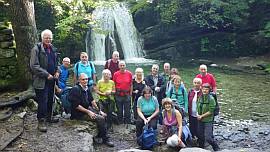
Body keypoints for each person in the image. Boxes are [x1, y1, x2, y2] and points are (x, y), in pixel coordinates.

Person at [68, 73, 114, 147]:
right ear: (79, 80)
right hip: (79, 113)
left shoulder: (86, 88)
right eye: (83, 79)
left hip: (87, 109)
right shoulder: (75, 89)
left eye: (86, 79)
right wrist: (89, 112)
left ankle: (99, 135)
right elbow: (76, 106)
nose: (85, 81)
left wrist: (99, 111)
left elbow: (92, 100)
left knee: (104, 115)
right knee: (100, 118)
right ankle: (105, 139)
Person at [30, 29, 59, 132]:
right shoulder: (36, 49)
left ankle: (49, 117)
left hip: (52, 80)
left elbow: (56, 63)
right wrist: (47, 75)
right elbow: (34, 66)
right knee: (42, 100)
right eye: (46, 38)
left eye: (50, 38)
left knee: (51, 99)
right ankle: (41, 121)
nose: (48, 39)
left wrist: (57, 72)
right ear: (42, 38)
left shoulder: (53, 49)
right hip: (41, 80)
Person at [197, 83, 220, 151]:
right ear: (201, 89)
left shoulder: (211, 99)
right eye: (203, 89)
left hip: (208, 120)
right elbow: (197, 106)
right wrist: (198, 114)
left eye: (206, 89)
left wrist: (201, 116)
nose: (204, 90)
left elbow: (211, 111)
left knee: (208, 138)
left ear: (209, 90)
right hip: (200, 119)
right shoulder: (200, 97)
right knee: (200, 136)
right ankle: (201, 148)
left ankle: (216, 147)